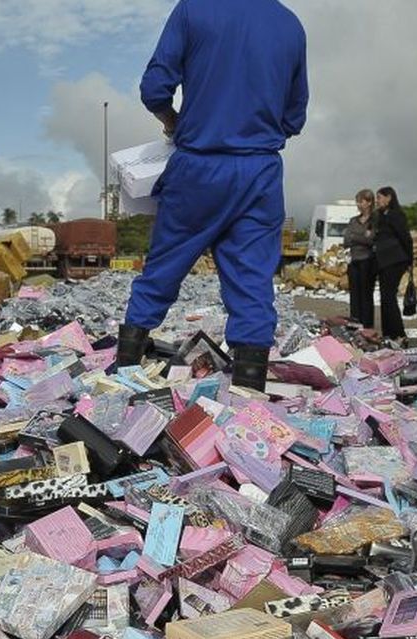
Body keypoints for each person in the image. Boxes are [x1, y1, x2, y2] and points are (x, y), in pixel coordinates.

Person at [117, 0, 309, 391]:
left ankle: (123, 376)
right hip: (260, 173)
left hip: (199, 167)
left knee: (163, 269)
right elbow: (294, 117)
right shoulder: (290, 25)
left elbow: (155, 88)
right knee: (252, 281)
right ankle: (249, 393)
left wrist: (173, 120)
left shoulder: (194, 10)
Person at [371, 187, 413, 344]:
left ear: (389, 198)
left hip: (395, 261)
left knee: (389, 297)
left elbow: (405, 238)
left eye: (380, 197)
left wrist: (410, 260)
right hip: (384, 262)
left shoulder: (396, 215)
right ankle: (388, 333)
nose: (377, 201)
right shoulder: (381, 216)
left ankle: (399, 334)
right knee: (385, 298)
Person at [343, 189, 377, 328]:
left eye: (361, 201)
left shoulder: (375, 220)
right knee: (354, 295)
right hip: (354, 261)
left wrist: (356, 238)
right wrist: (362, 237)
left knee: (366, 295)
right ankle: (355, 323)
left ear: (369, 202)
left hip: (368, 261)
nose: (358, 204)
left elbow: (372, 240)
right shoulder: (353, 221)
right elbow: (346, 240)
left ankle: (367, 326)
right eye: (357, 201)